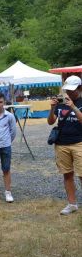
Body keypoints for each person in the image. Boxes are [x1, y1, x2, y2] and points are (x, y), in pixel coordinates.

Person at [47, 76, 82, 215]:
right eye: (67, 89)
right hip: (61, 143)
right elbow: (51, 122)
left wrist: (73, 106)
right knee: (67, 175)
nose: (69, 92)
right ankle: (72, 204)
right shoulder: (61, 102)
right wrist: (52, 108)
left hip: (79, 142)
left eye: (72, 90)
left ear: (80, 88)